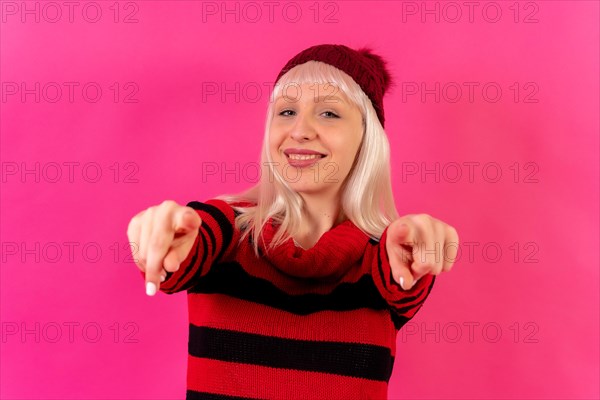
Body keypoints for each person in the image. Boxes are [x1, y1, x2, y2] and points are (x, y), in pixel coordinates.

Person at [127, 44, 459, 399]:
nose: (299, 130)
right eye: (286, 111)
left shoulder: (385, 258)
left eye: (329, 113)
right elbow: (192, 242)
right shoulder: (226, 230)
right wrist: (156, 232)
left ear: (367, 138)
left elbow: (404, 280)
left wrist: (420, 248)